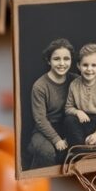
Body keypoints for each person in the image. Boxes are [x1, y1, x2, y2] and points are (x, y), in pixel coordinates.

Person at [26, 38, 75, 169]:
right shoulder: (40, 86)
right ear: (49, 61)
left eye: (66, 59)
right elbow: (40, 119)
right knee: (47, 152)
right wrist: (56, 139)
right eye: (56, 59)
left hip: (68, 129)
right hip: (44, 131)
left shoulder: (76, 80)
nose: (62, 63)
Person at [64, 42, 96, 147]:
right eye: (85, 65)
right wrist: (77, 112)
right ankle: (82, 147)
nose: (89, 69)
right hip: (82, 122)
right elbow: (68, 108)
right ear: (79, 66)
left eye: (94, 65)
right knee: (69, 120)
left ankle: (94, 144)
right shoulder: (74, 84)